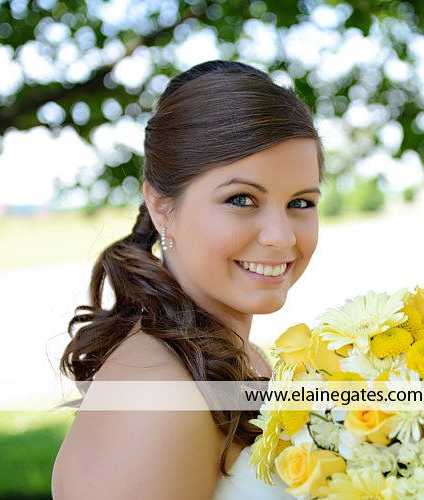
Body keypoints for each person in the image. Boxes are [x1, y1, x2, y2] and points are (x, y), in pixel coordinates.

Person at [51, 60, 325, 499]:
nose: (281, 236)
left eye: (301, 202)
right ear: (161, 206)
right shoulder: (156, 398)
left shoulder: (237, 356)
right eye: (242, 199)